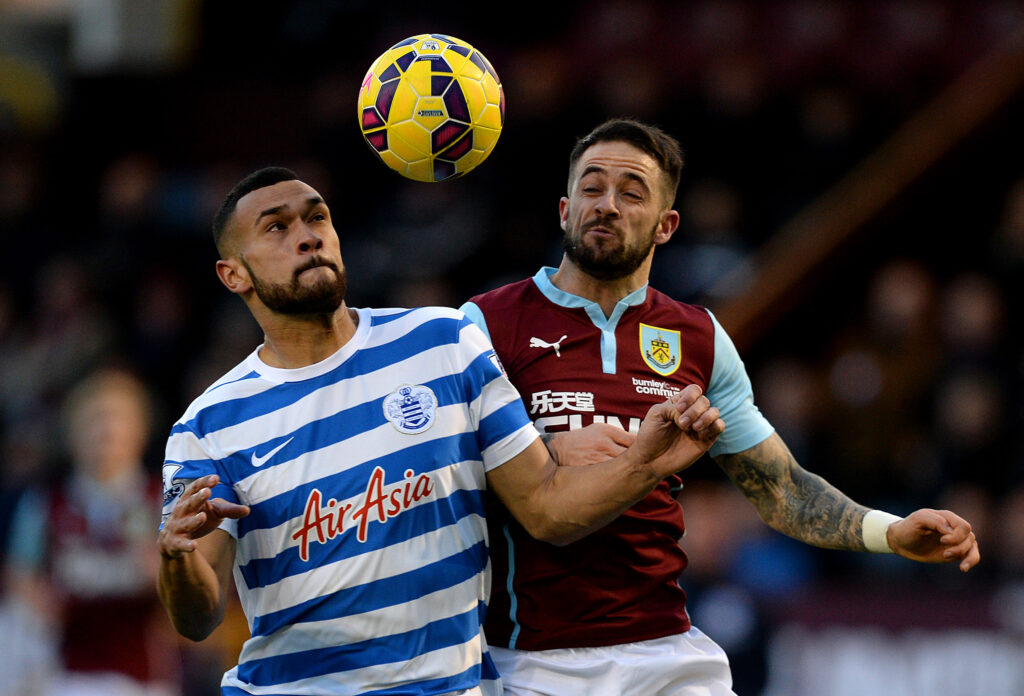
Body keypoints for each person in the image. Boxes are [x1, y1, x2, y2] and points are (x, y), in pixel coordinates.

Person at [458, 118, 982, 696]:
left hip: (665, 653)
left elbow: (781, 489)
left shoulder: (698, 336)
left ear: (666, 225)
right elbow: (442, 480)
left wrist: (890, 532)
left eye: (631, 192)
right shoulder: (485, 325)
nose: (606, 205)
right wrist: (542, 449)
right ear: (564, 210)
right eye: (591, 187)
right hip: (530, 659)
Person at [156, 167, 725, 696]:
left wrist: (642, 465)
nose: (307, 237)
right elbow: (198, 617)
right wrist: (177, 559)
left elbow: (546, 506)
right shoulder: (207, 427)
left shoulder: (443, 343)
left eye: (317, 217)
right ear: (234, 274)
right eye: (276, 228)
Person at [4, 366, 182, 696]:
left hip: (145, 676)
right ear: (72, 432)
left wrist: (165, 576)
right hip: (62, 676)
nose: (106, 430)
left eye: (118, 418)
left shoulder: (163, 500)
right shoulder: (46, 503)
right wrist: (37, 599)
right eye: (95, 418)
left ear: (141, 430)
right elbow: (19, 576)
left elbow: (194, 589)